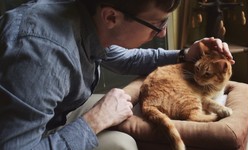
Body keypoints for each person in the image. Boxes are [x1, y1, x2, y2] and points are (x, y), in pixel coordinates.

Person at [0, 0, 234, 150]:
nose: (162, 32)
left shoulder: (86, 17)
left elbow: (126, 59)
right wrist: (94, 121)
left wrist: (185, 54)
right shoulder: (42, 57)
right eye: (157, 24)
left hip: (54, 114)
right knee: (122, 145)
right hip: (29, 136)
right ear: (111, 17)